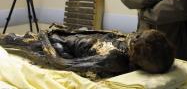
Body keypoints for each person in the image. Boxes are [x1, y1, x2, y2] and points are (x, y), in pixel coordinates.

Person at [0, 26, 175, 80]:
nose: (133, 36)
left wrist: (44, 38)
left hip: (57, 45)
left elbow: (61, 63)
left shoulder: (114, 59)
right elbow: (97, 32)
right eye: (137, 35)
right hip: (64, 35)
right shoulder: (131, 42)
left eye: (136, 39)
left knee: (11, 40)